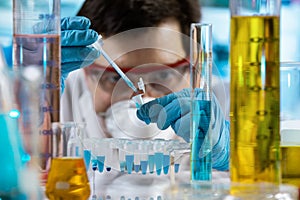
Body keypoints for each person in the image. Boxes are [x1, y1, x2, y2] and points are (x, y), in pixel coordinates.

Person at [60, 0, 230, 198]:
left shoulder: (232, 103)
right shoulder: (57, 94)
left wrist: (236, 160)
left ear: (195, 68)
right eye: (115, 78)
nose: (142, 100)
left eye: (163, 75)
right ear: (86, 73)